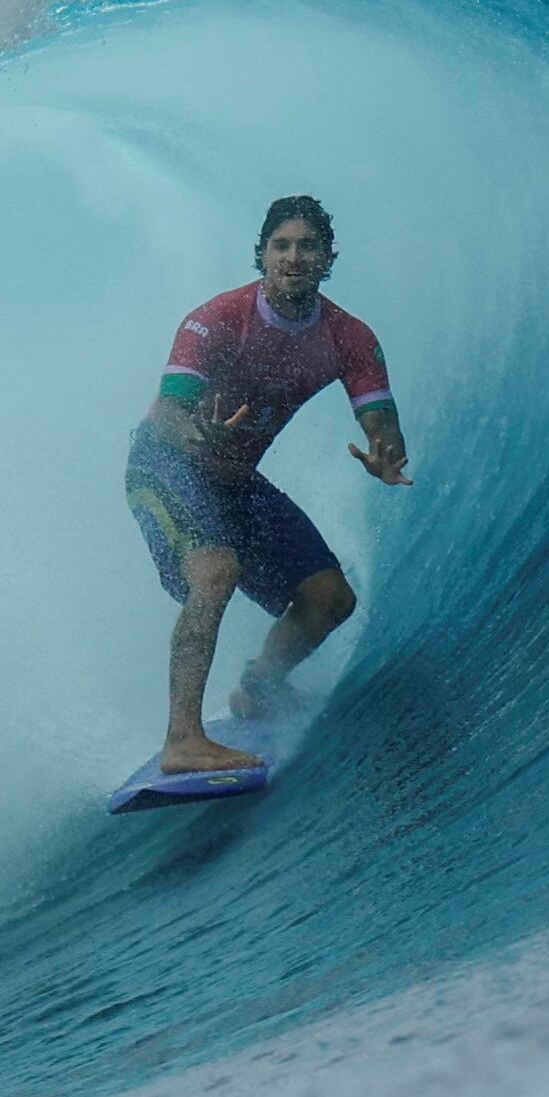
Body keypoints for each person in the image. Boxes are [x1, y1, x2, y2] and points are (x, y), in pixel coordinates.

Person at [126, 194, 410, 775]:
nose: (294, 256)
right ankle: (184, 738)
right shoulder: (218, 319)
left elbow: (381, 423)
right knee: (215, 571)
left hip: (232, 480)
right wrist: (193, 432)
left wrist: (387, 454)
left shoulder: (349, 338)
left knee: (330, 600)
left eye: (308, 245)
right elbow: (174, 413)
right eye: (281, 245)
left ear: (328, 257)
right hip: (164, 465)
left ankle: (258, 687)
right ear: (261, 254)